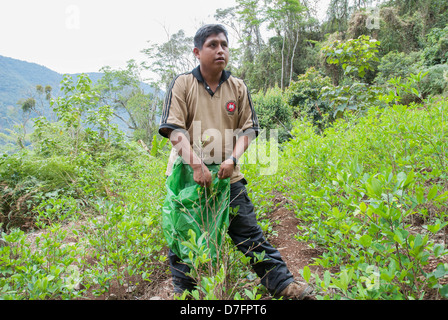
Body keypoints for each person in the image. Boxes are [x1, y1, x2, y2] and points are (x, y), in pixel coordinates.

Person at [158, 24, 312, 300]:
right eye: (212, 45)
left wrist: (231, 159)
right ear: (197, 52)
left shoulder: (237, 87)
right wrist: (196, 165)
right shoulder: (183, 84)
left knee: (249, 233)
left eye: (224, 45)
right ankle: (186, 297)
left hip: (228, 175)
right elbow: (174, 130)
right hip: (187, 173)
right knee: (183, 235)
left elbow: (248, 130)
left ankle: (285, 286)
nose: (220, 50)